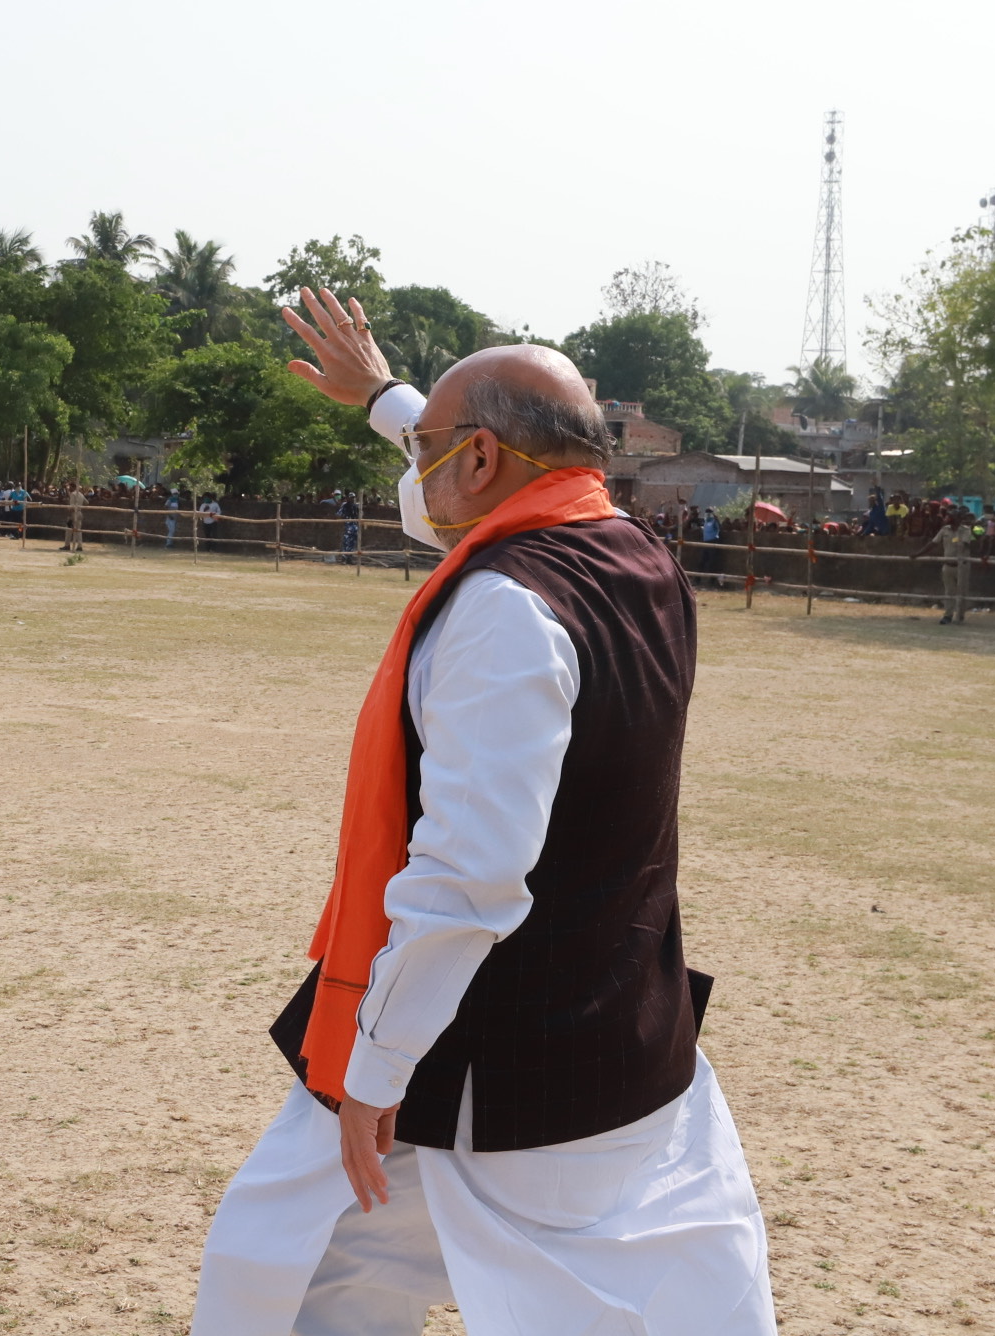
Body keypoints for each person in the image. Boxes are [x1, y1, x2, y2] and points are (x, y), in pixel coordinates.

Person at [192, 285, 772, 1336]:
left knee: (278, 1277)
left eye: (431, 448)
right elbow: (452, 499)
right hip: (616, 1028)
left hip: (486, 1061)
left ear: (483, 462)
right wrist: (385, 400)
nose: (414, 471)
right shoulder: (635, 558)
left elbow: (469, 876)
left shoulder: (508, 608)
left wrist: (375, 1071)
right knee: (311, 1272)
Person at [66, 482, 87, 552]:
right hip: (79, 512)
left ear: (72, 487)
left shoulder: (73, 494)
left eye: (70, 487)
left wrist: (69, 516)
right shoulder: (81, 494)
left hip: (73, 513)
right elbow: (87, 502)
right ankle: (79, 546)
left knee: (69, 529)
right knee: (78, 530)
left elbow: (71, 506)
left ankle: (67, 545)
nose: (69, 488)